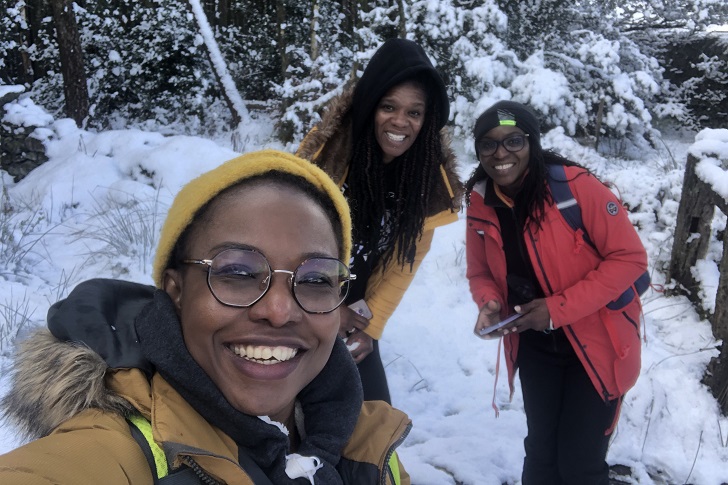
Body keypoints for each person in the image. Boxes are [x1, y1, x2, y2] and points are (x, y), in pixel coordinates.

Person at [0, 150, 411, 484]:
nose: (280, 311)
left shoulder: (372, 450)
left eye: (316, 278)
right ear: (176, 291)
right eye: (238, 273)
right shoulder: (111, 454)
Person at [465, 101, 648, 485]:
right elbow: (480, 272)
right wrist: (489, 303)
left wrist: (556, 310)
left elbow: (630, 259)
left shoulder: (573, 188)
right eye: (489, 144)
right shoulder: (482, 201)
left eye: (513, 140)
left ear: (532, 142)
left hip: (598, 345)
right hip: (534, 348)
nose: (501, 153)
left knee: (579, 464)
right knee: (542, 458)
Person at [296, 38, 463, 403]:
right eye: (389, 106)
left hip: (351, 318)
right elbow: (282, 245)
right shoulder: (325, 162)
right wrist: (324, 308)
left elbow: (402, 266)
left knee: (375, 423)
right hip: (294, 309)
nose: (400, 122)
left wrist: (369, 329)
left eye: (414, 112)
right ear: (371, 105)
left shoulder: (423, 183)